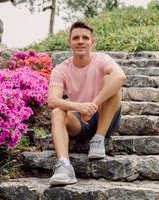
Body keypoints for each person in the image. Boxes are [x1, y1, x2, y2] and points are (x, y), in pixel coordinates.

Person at [48, 21, 126, 186]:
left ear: (93, 42)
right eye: (76, 38)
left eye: (85, 37)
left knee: (111, 80)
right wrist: (79, 107)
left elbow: (120, 77)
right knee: (57, 112)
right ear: (70, 42)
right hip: (80, 122)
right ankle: (64, 166)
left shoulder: (102, 59)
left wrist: (92, 105)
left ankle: (98, 140)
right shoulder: (61, 69)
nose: (81, 41)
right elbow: (53, 101)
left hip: (105, 118)